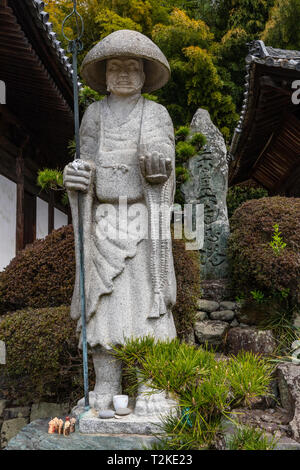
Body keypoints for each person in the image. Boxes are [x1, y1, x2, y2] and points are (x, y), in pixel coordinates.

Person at [64, 30, 177, 411]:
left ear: (145, 75)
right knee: (103, 302)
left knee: (147, 299)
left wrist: (159, 168)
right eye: (116, 68)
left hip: (143, 220)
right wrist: (77, 179)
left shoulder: (156, 113)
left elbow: (164, 155)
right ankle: (106, 381)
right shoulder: (94, 113)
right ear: (105, 75)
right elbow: (85, 159)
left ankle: (152, 382)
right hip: (104, 221)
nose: (124, 74)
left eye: (132, 68)